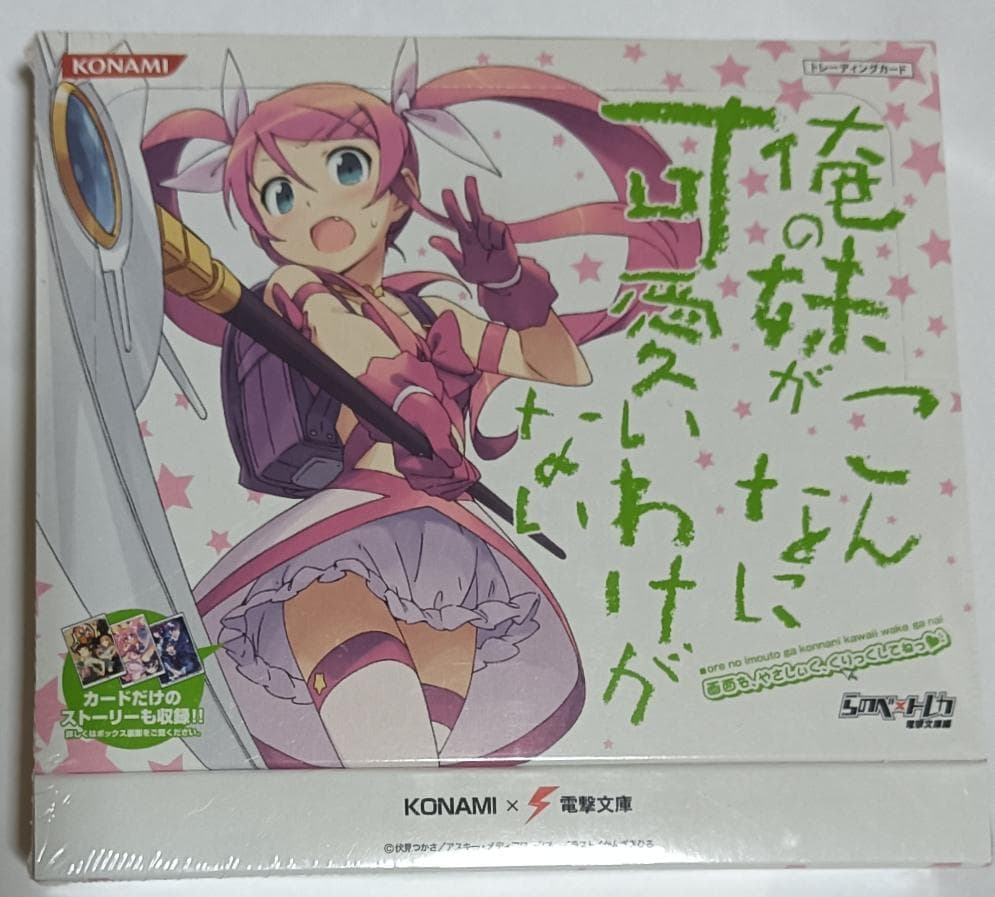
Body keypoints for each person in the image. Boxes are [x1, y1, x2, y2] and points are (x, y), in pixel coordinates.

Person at [141, 41, 700, 769]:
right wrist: (415, 416)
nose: (316, 208)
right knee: (361, 743)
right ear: (262, 226)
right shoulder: (294, 288)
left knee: (415, 768)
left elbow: (559, 365)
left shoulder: (427, 310)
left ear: (400, 189)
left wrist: (510, 289)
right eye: (280, 194)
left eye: (346, 168)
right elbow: (349, 349)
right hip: (351, 525)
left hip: (442, 542)